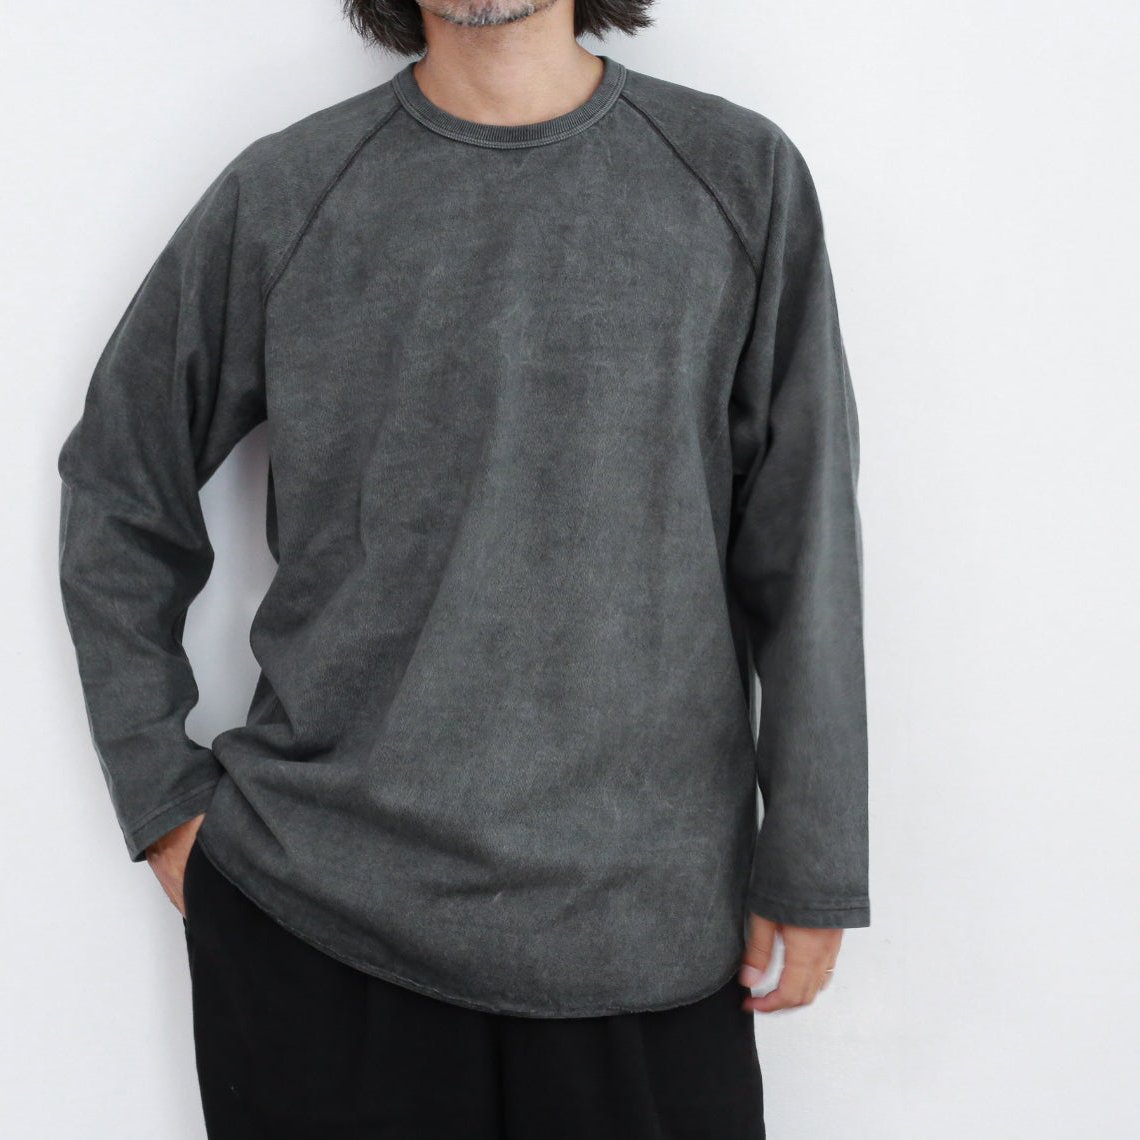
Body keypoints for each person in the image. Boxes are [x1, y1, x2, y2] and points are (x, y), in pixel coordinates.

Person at [55, 1, 869, 1135]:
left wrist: (813, 862)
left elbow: (803, 538)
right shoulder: (289, 191)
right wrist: (162, 800)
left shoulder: (737, 176)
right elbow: (119, 479)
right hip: (322, 923)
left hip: (643, 932)